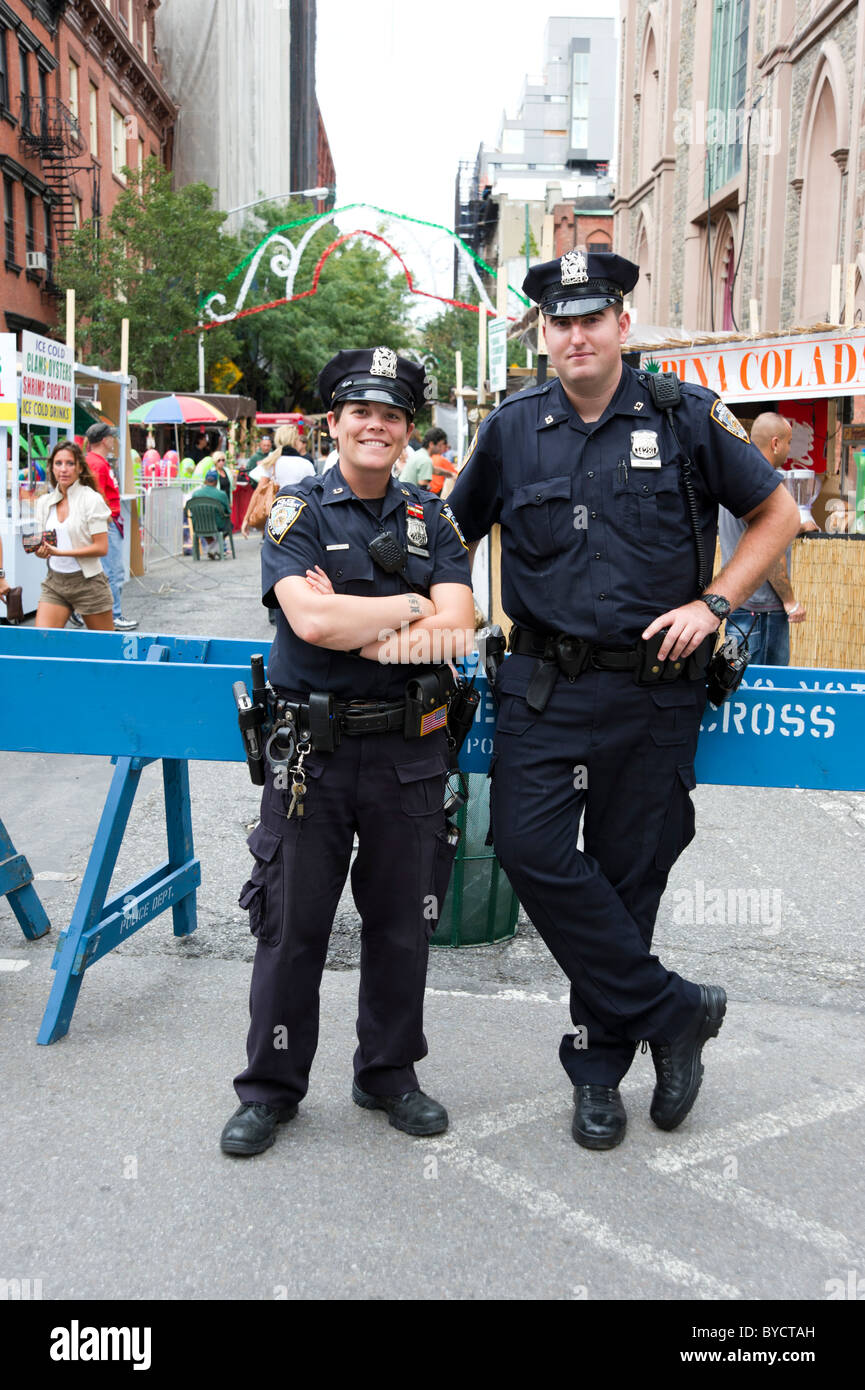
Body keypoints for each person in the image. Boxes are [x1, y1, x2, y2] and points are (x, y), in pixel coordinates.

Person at [447, 251, 800, 1151]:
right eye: (559, 322)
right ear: (545, 334)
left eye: (590, 318)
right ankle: (673, 1011)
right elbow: (452, 534)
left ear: (620, 326)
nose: (574, 335)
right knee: (528, 852)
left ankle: (598, 1071)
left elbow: (776, 515)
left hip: (653, 691)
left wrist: (716, 602)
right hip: (542, 685)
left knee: (626, 876)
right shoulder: (511, 428)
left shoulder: (683, 416)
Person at [220, 346, 475, 1158]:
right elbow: (312, 625)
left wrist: (369, 632)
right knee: (292, 928)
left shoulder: (431, 518)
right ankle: (270, 1088)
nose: (376, 425)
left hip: (408, 752)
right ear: (334, 423)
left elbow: (459, 630)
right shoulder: (299, 512)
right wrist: (406, 610)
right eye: (360, 411)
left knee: (402, 924)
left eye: (392, 415)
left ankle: (388, 1073)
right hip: (312, 757)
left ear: (405, 432)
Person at [718, 413, 806, 665]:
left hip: (737, 604)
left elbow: (752, 530)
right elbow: (770, 550)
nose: (789, 451)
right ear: (775, 443)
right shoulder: (764, 482)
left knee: (738, 689)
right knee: (768, 690)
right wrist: (789, 601)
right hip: (763, 611)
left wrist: (797, 525)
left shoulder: (736, 478)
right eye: (788, 443)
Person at [32, 440, 115, 630]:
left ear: (79, 467)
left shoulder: (91, 499)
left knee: (104, 649)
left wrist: (61, 552)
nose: (64, 469)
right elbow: (43, 544)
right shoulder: (45, 502)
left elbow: (101, 548)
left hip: (88, 582)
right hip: (55, 582)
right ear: (52, 468)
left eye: (70, 463)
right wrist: (41, 551)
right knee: (42, 644)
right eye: (58, 463)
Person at [84, 423, 138, 631]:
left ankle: (104, 613)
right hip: (107, 523)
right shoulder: (96, 463)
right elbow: (96, 495)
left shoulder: (96, 462)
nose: (114, 441)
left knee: (107, 571)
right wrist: (107, 516)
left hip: (108, 521)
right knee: (112, 571)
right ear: (104, 440)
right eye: (111, 437)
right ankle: (114, 615)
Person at [185, 467, 232, 559]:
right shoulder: (221, 494)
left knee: (205, 525)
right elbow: (228, 511)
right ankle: (215, 548)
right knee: (229, 525)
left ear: (206, 480)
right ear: (216, 481)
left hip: (199, 525)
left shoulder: (196, 494)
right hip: (217, 525)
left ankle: (213, 547)